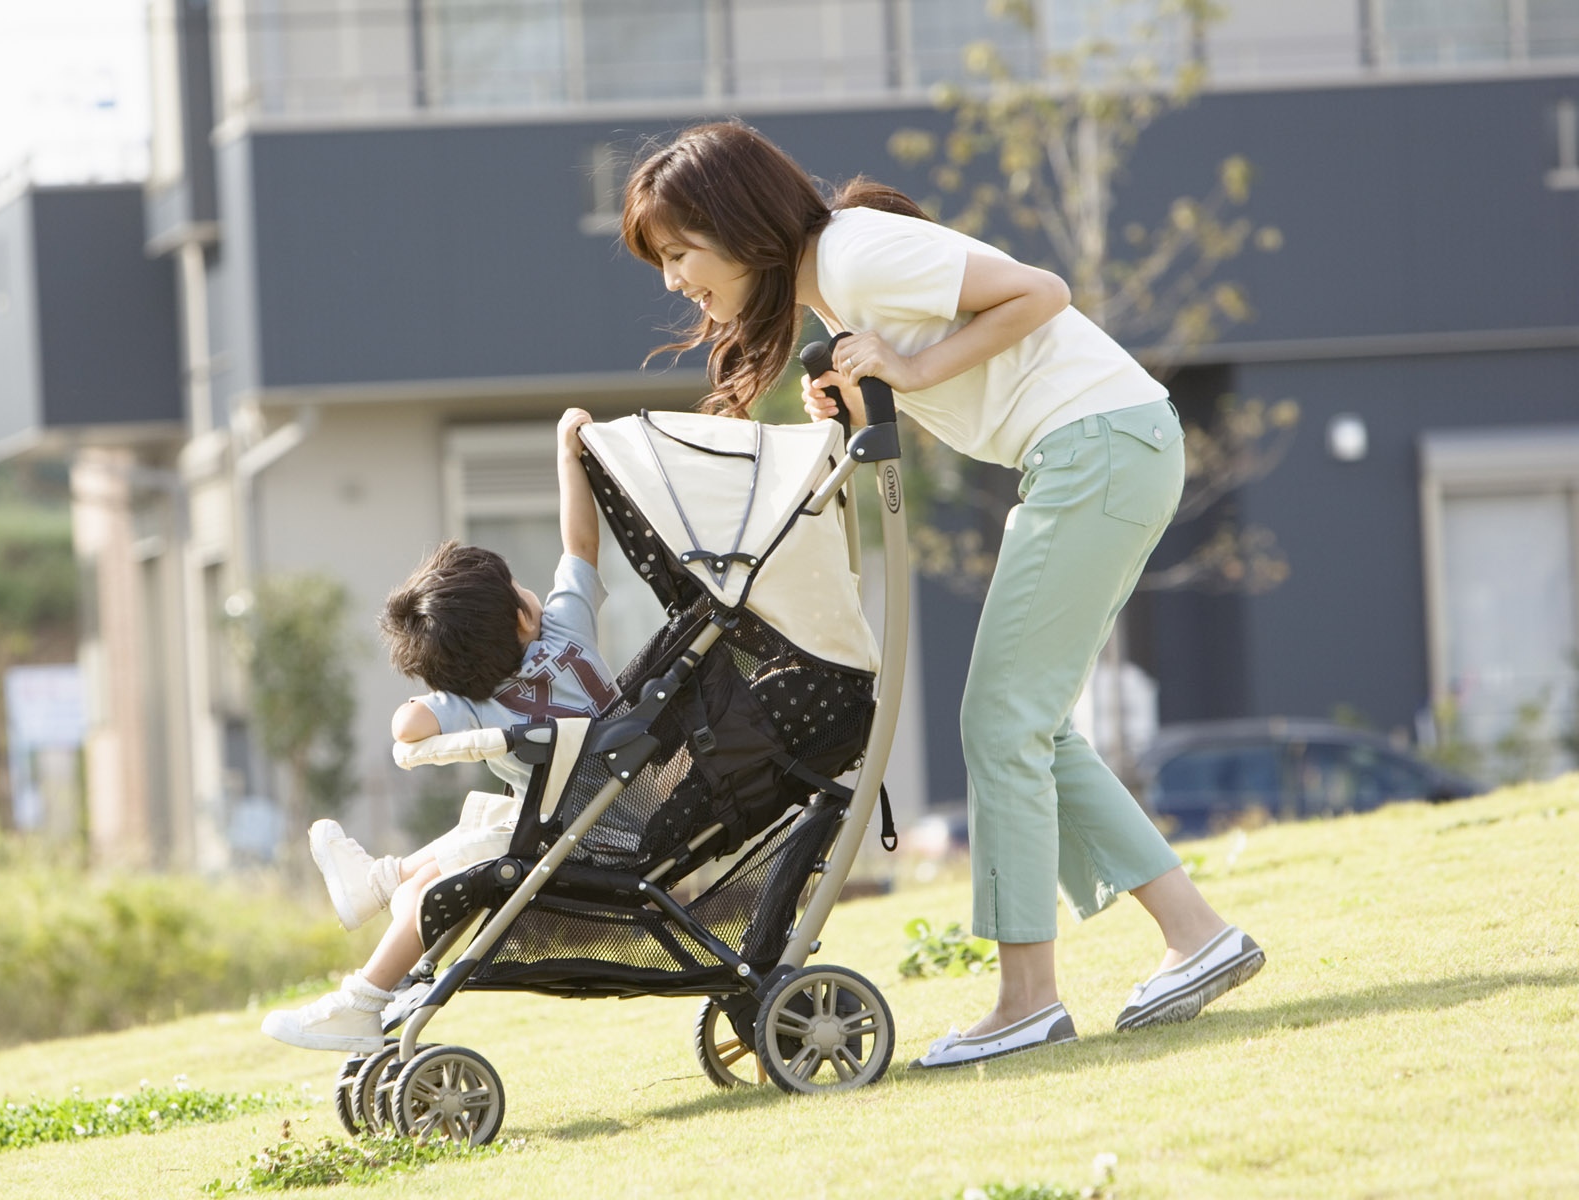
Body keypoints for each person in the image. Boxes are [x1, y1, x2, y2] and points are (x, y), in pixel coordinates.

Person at [619, 121, 1264, 1070]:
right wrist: (866, 392)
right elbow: (968, 364)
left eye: (680, 253)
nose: (675, 280)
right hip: (1092, 453)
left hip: (1098, 448)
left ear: (738, 222)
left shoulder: (858, 252)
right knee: (1026, 724)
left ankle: (1028, 999)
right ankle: (1194, 934)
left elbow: (1042, 294)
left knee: (1003, 722)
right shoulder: (838, 285)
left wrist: (910, 371)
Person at [260, 408, 615, 1053]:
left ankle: (363, 996)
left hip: (567, 840)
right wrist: (568, 456)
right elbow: (580, 545)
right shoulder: (569, 630)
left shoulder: (473, 704)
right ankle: (378, 888)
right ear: (522, 617)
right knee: (478, 832)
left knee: (436, 883)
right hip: (616, 817)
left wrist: (446, 691)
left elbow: (407, 724)